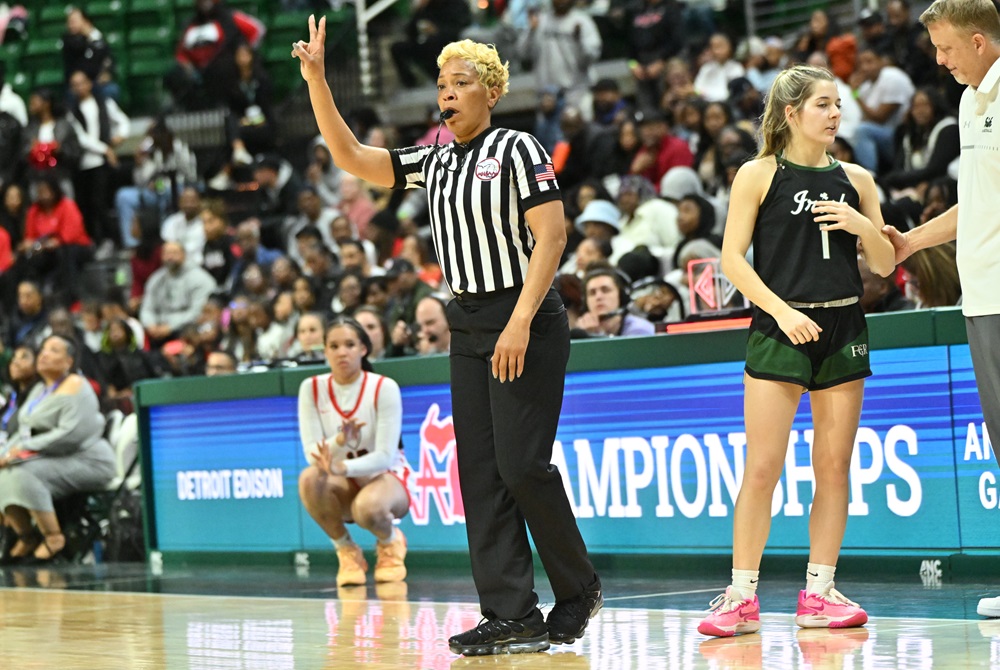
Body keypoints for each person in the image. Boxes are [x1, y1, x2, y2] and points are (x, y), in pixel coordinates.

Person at [294, 23, 601, 655]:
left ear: (491, 90)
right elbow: (354, 157)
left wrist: (518, 321)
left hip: (526, 316)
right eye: (441, 84)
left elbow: (552, 236)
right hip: (466, 325)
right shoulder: (433, 159)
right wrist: (319, 82)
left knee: (522, 466)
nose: (448, 93)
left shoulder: (518, 147)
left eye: (461, 82)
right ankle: (512, 612)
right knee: (482, 475)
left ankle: (579, 587)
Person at [697, 64, 895, 638]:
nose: (835, 114)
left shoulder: (858, 178)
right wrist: (782, 311)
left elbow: (884, 264)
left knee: (834, 468)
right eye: (823, 105)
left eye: (838, 105)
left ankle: (819, 591)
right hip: (780, 327)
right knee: (763, 467)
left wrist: (863, 223)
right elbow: (733, 259)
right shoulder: (759, 174)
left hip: (844, 327)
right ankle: (741, 595)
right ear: (791, 114)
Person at [882, 0, 1000, 619]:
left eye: (947, 48)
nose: (939, 59)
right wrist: (910, 241)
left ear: (978, 41)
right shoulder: (970, 100)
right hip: (981, 298)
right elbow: (975, 203)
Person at [297, 316, 410, 587]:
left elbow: (385, 455)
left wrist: (342, 467)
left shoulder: (384, 387)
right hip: (341, 477)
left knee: (366, 509)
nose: (341, 352)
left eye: (349, 344)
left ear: (363, 349)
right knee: (309, 479)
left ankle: (390, 542)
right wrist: (338, 441)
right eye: (334, 346)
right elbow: (312, 453)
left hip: (386, 475)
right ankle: (346, 550)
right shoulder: (311, 388)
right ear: (325, 351)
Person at [0, 335, 116, 563]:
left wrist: (22, 449)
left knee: (23, 473)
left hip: (89, 459)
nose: (44, 354)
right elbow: (24, 429)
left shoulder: (76, 386)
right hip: (51, 458)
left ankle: (53, 538)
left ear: (68, 361)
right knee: (4, 472)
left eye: (53, 350)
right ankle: (26, 537)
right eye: (43, 349)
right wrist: (6, 454)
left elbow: (71, 434)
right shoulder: (39, 390)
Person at [577, 267, 654, 337]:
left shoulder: (639, 330)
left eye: (605, 290)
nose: (598, 297)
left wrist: (596, 336)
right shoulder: (581, 330)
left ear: (621, 296)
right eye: (592, 293)